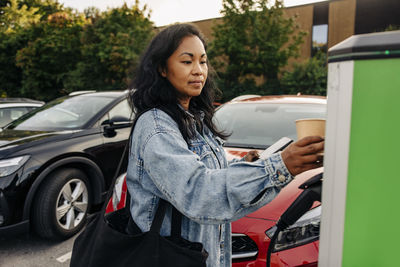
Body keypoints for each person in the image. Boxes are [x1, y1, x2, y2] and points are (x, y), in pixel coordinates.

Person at [127, 23, 324, 267]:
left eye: (203, 61)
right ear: (162, 69)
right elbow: (198, 193)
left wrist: (246, 164)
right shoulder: (157, 126)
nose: (199, 70)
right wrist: (279, 167)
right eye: (187, 62)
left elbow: (210, 176)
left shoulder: (195, 119)